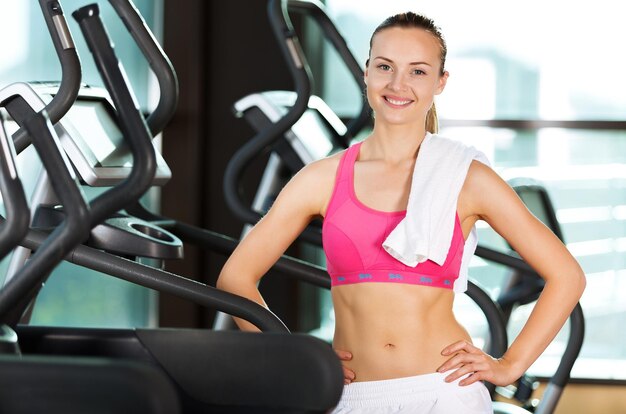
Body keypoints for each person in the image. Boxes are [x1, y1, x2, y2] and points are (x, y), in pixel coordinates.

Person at [217, 11, 586, 413]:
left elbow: (566, 276)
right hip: (348, 394)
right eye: (385, 67)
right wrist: (292, 356)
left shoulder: (466, 177)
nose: (398, 84)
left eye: (418, 71)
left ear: (440, 82)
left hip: (443, 390)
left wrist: (510, 365)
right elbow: (236, 277)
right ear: (366, 73)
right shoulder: (320, 178)